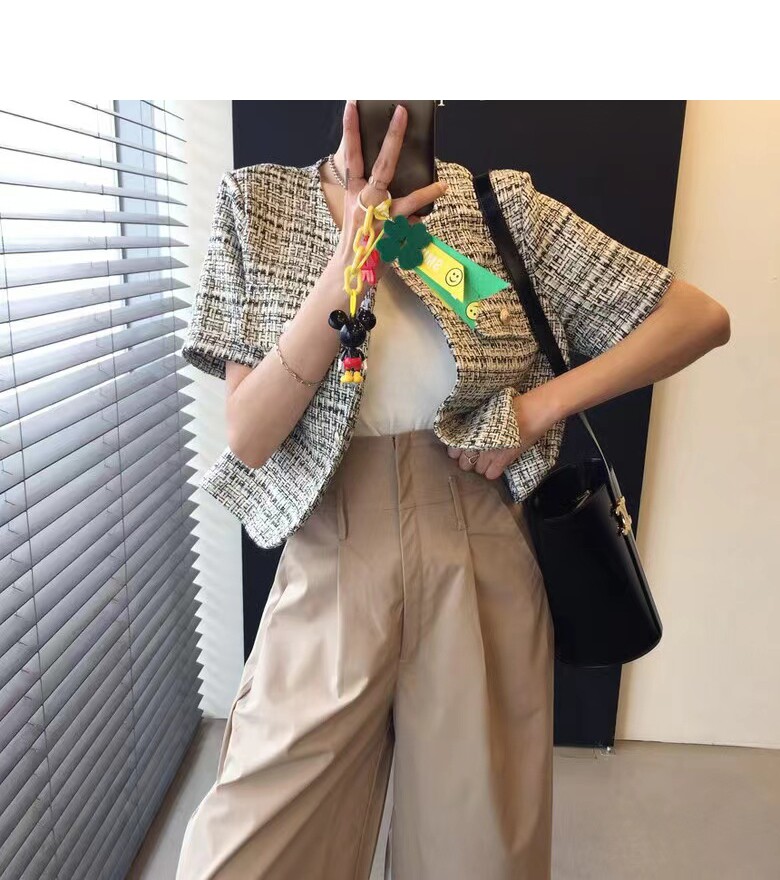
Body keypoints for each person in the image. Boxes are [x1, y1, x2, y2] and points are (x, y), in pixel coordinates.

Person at [175, 101, 731, 880]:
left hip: (480, 557)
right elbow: (250, 436)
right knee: (248, 857)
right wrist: (347, 266)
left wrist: (536, 410)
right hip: (330, 565)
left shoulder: (496, 215)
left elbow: (697, 318)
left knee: (476, 858)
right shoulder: (258, 206)